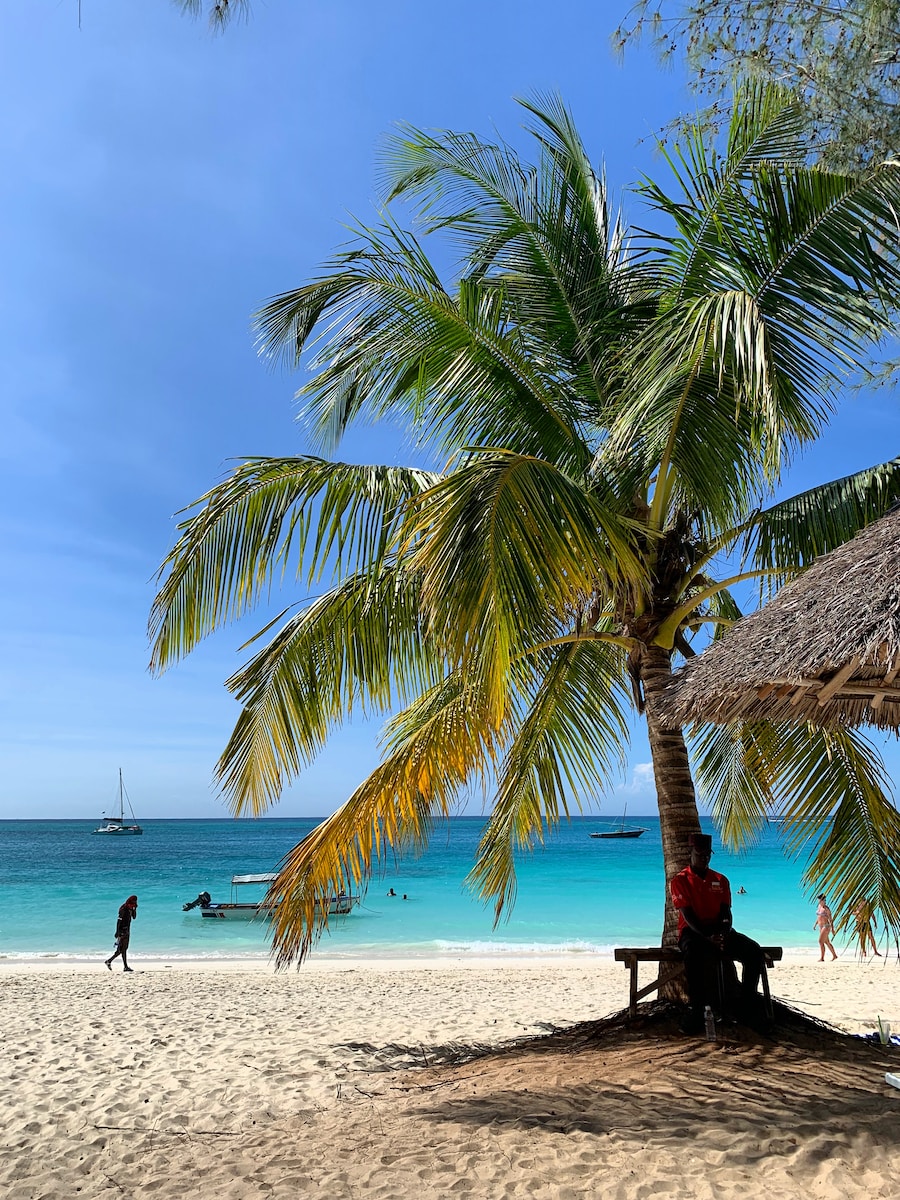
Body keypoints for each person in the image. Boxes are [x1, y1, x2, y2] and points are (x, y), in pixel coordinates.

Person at [669, 833, 766, 1033]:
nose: (704, 858)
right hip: (693, 932)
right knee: (693, 955)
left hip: (718, 931)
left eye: (708, 855)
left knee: (754, 952)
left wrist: (723, 932)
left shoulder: (721, 880)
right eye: (700, 854)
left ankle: (747, 1006)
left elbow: (726, 912)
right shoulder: (680, 880)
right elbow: (687, 915)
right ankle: (697, 1011)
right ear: (690, 853)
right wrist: (708, 936)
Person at [105, 895, 138, 972]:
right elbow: (119, 921)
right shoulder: (124, 908)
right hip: (122, 931)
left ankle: (110, 961)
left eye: (136, 901)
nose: (135, 902)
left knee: (123, 949)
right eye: (134, 901)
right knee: (122, 949)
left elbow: (134, 917)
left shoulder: (131, 908)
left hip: (127, 931)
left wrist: (134, 909)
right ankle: (123, 966)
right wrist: (117, 931)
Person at [814, 893, 838, 962]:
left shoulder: (826, 909)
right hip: (820, 927)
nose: (824, 902)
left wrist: (832, 929)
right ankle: (834, 955)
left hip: (826, 926)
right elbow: (819, 917)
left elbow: (830, 919)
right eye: (821, 900)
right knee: (827, 942)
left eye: (824, 900)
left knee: (820, 941)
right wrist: (815, 924)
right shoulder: (819, 907)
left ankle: (822, 958)